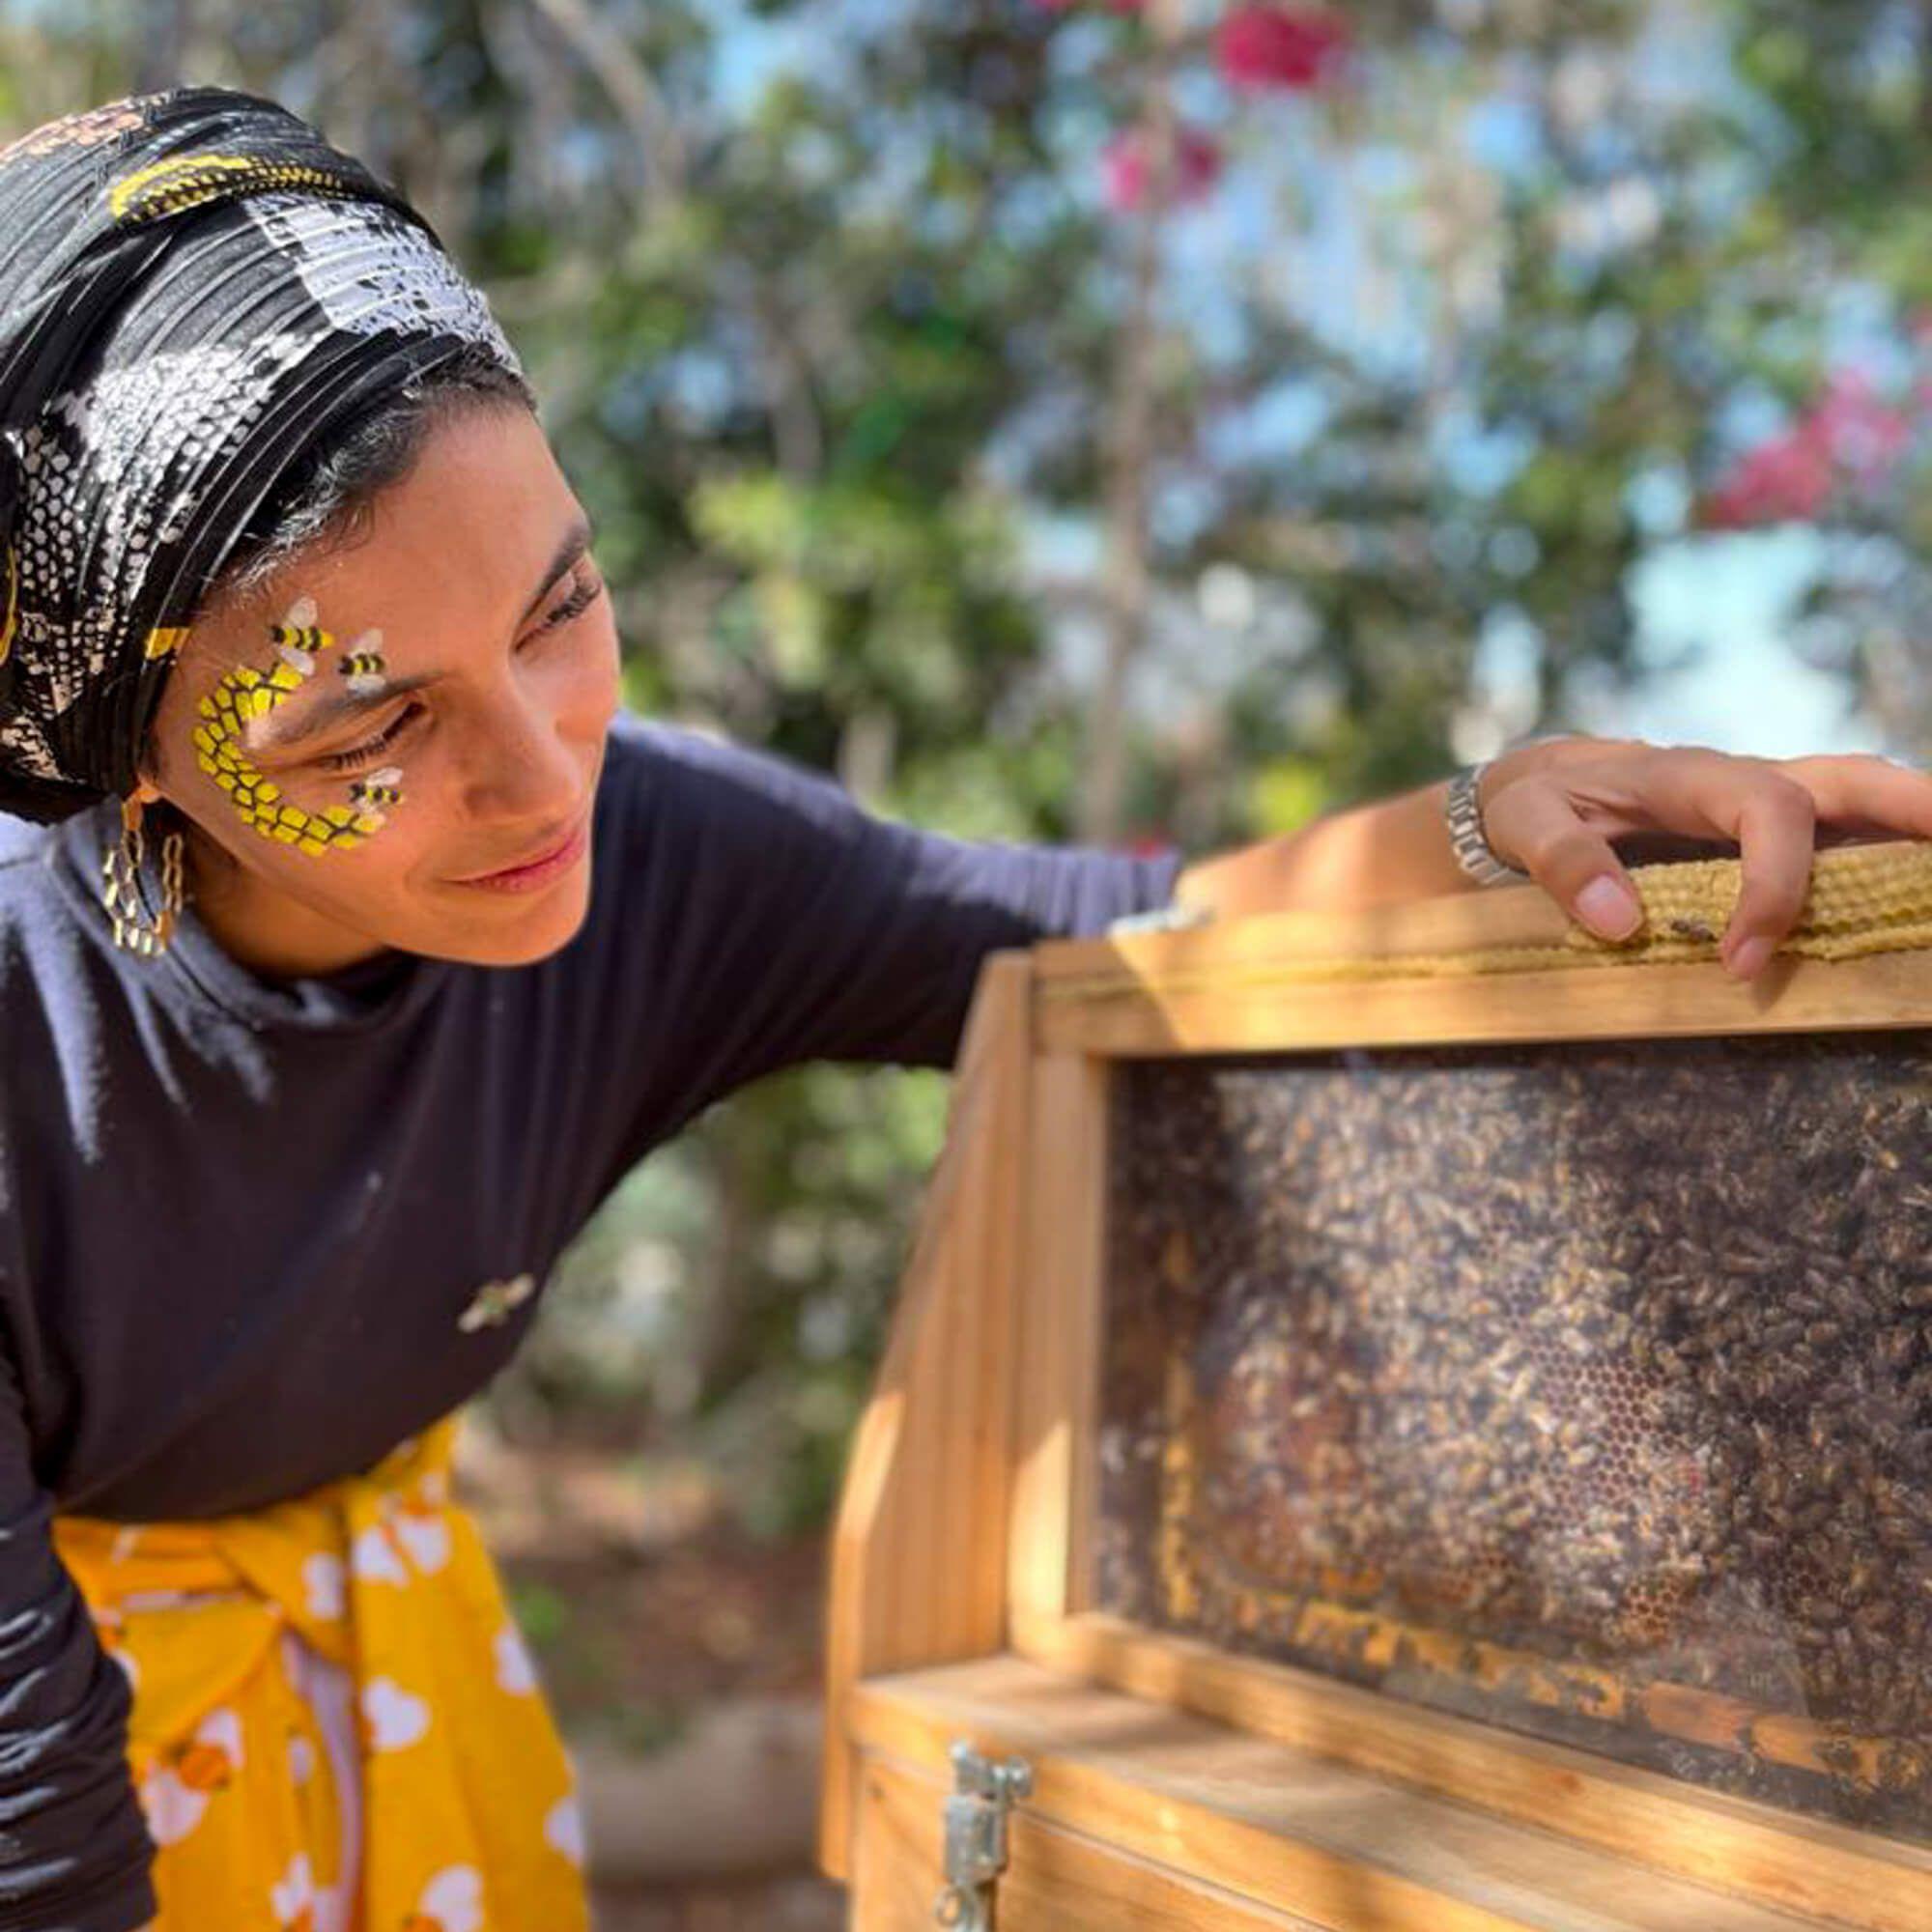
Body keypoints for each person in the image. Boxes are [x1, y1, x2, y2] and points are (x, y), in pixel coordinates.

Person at [1, 84, 1929, 1932]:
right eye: (371, 718)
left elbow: (1078, 939)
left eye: (556, 610)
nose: (542, 773)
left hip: (383, 1686)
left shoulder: (652, 857)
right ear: (130, 757)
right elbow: (37, 1835)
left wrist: (1492, 831)